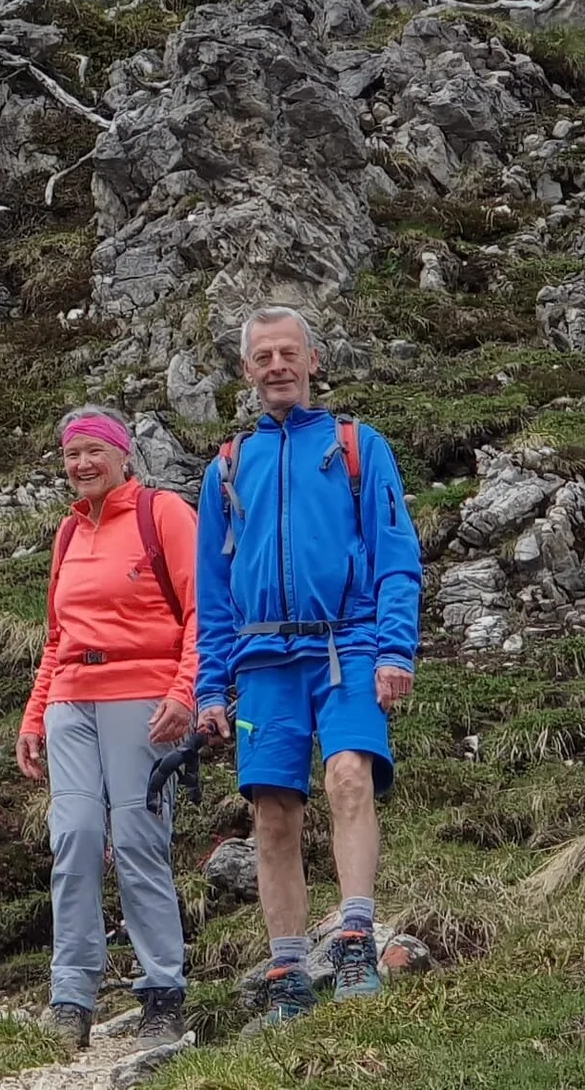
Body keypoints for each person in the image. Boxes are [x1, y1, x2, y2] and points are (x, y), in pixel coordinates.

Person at [194, 306, 421, 1030]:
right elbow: (211, 591)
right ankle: (288, 966)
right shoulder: (227, 466)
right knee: (271, 814)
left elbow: (396, 556)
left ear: (314, 360)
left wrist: (394, 648)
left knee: (349, 773)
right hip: (261, 658)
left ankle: (355, 937)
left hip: (347, 643)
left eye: (288, 353)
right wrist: (209, 686)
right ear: (247, 370)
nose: (277, 366)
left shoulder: (357, 445)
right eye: (263, 357)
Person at [15, 406, 198, 1052]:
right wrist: (35, 713)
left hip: (144, 698)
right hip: (71, 701)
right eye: (72, 455)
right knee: (75, 838)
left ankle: (161, 994)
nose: (83, 464)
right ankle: (71, 998)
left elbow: (205, 608)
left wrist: (185, 691)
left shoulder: (162, 513)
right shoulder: (67, 535)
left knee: (140, 842)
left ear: (124, 456)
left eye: (95, 451)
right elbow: (57, 635)